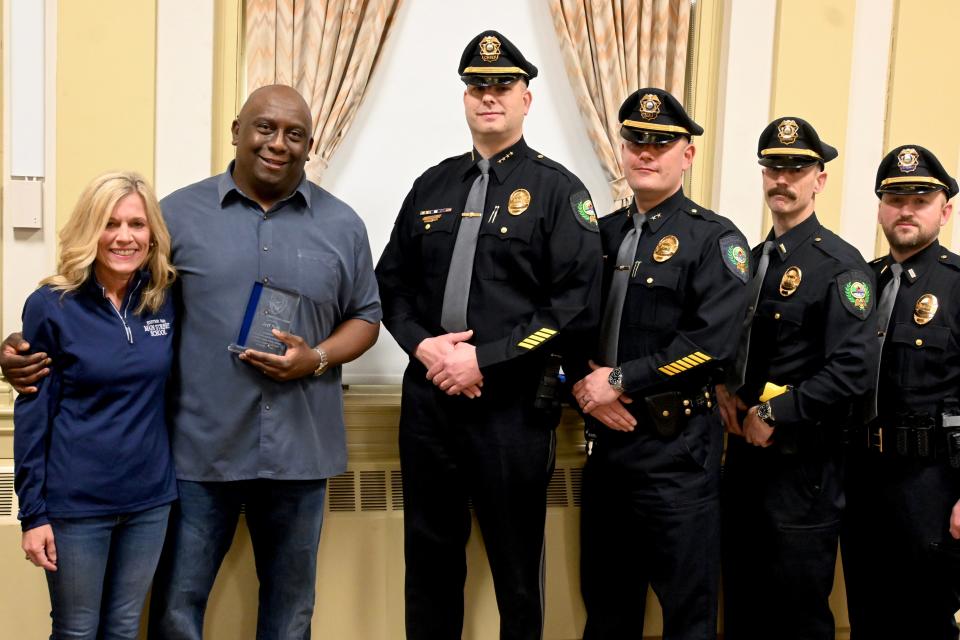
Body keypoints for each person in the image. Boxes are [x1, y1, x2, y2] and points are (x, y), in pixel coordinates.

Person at [3, 84, 382, 639]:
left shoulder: (342, 225)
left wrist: (317, 357)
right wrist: (25, 342)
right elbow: (108, 304)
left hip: (302, 452)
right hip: (197, 455)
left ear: (308, 144)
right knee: (177, 607)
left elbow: (366, 318)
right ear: (236, 131)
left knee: (292, 609)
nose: (279, 143)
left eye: (294, 134)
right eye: (265, 128)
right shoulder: (175, 216)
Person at [375, 30, 602, 640]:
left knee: (516, 571)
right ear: (465, 98)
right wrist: (424, 347)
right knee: (428, 562)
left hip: (510, 411)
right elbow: (388, 287)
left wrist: (488, 361)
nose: (489, 97)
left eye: (503, 85)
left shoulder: (559, 192)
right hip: (429, 403)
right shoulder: (433, 186)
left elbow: (573, 308)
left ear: (527, 99)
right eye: (477, 86)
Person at [572, 88, 750, 639]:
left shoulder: (715, 240)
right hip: (608, 449)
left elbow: (710, 344)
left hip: (677, 454)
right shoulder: (599, 235)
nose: (646, 153)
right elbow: (568, 328)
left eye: (662, 143)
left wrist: (620, 381)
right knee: (606, 606)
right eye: (636, 141)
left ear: (687, 155)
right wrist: (584, 390)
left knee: (687, 614)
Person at [717, 117, 874, 640]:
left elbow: (853, 369)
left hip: (803, 467)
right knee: (741, 601)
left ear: (819, 180)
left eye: (796, 168)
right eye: (773, 167)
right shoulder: (755, 261)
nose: (782, 178)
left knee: (797, 613)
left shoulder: (839, 265)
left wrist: (773, 413)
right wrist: (724, 388)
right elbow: (739, 345)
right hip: (743, 460)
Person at [14, 171, 178, 639]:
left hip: (150, 500)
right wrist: (34, 514)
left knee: (125, 628)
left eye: (136, 224)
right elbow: (33, 410)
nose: (124, 236)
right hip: (75, 505)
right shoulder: (51, 304)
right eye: (110, 224)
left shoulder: (163, 299)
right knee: (77, 630)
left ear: (152, 235)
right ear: (90, 230)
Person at [841, 144, 960, 639]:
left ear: (945, 209)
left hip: (930, 484)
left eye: (920, 198)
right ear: (880, 207)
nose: (906, 209)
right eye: (894, 197)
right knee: (868, 615)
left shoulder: (957, 286)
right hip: (862, 480)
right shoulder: (861, 283)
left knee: (925, 622)